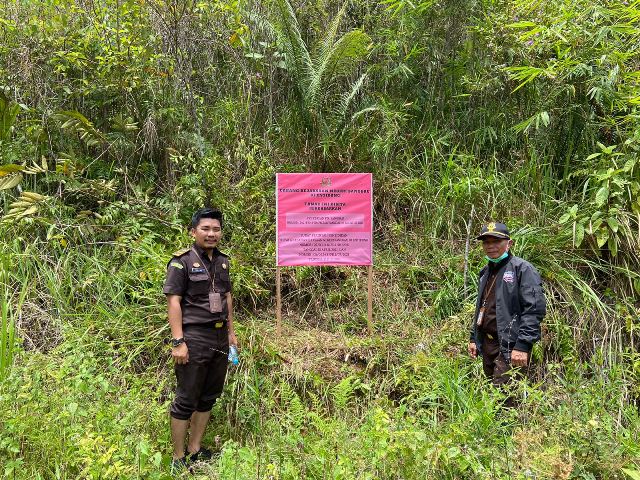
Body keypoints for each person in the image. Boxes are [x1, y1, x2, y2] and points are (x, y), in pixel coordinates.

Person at [162, 208, 238, 470]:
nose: (211, 234)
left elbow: (227, 297)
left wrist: (231, 333)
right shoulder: (180, 262)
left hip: (219, 337)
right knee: (186, 398)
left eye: (216, 229)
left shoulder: (223, 261)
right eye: (205, 229)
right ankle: (178, 457)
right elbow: (174, 302)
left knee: (208, 396)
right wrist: (178, 342)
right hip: (193, 337)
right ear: (193, 231)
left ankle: (195, 449)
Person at [468, 222, 546, 391]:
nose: (490, 246)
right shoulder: (485, 272)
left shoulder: (523, 269)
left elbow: (534, 310)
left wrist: (523, 345)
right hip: (488, 345)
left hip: (510, 346)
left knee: (504, 400)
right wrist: (474, 338)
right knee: (493, 395)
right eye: (486, 242)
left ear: (509, 243)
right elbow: (482, 306)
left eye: (496, 241)